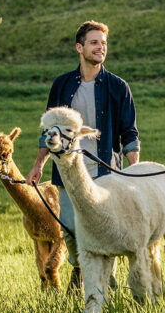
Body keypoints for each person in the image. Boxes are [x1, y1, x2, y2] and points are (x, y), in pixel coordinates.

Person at [27, 21, 139, 291]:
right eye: (94, 42)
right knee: (68, 229)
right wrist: (38, 165)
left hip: (104, 173)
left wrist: (136, 172)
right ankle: (93, 272)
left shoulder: (117, 87)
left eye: (103, 43)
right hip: (67, 172)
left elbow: (129, 133)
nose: (100, 47)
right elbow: (49, 129)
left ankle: (104, 286)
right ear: (80, 47)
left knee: (102, 231)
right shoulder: (62, 85)